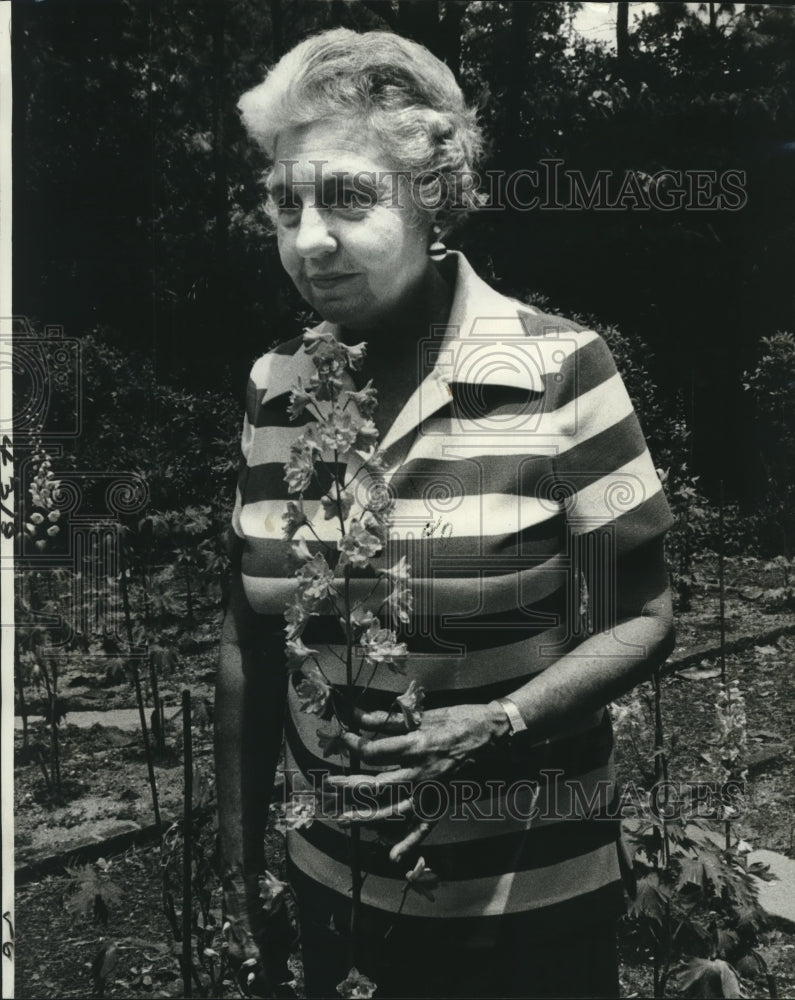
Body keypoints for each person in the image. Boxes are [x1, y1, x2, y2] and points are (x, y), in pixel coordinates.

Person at [215, 27, 675, 1000]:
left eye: (345, 196)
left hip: (525, 919)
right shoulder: (279, 386)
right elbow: (249, 636)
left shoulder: (559, 373)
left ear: (434, 199)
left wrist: (493, 722)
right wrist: (238, 847)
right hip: (329, 902)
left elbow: (637, 615)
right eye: (283, 202)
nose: (307, 239)